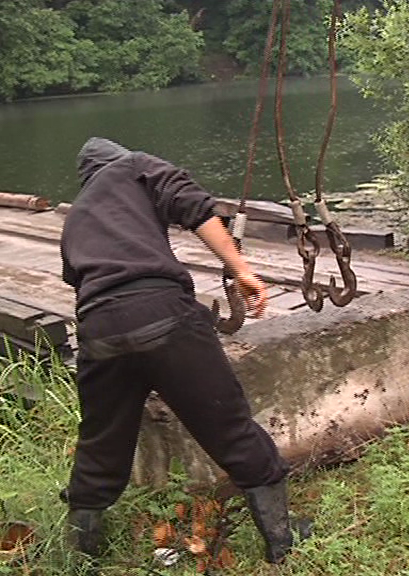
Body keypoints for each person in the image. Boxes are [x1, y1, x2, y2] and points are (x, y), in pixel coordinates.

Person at [59, 137, 308, 568]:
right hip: (164, 314)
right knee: (228, 427)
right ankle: (282, 542)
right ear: (117, 159)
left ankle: (80, 555)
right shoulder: (135, 166)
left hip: (98, 333)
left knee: (101, 444)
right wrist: (241, 270)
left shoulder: (76, 215)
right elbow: (196, 209)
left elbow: (77, 280)